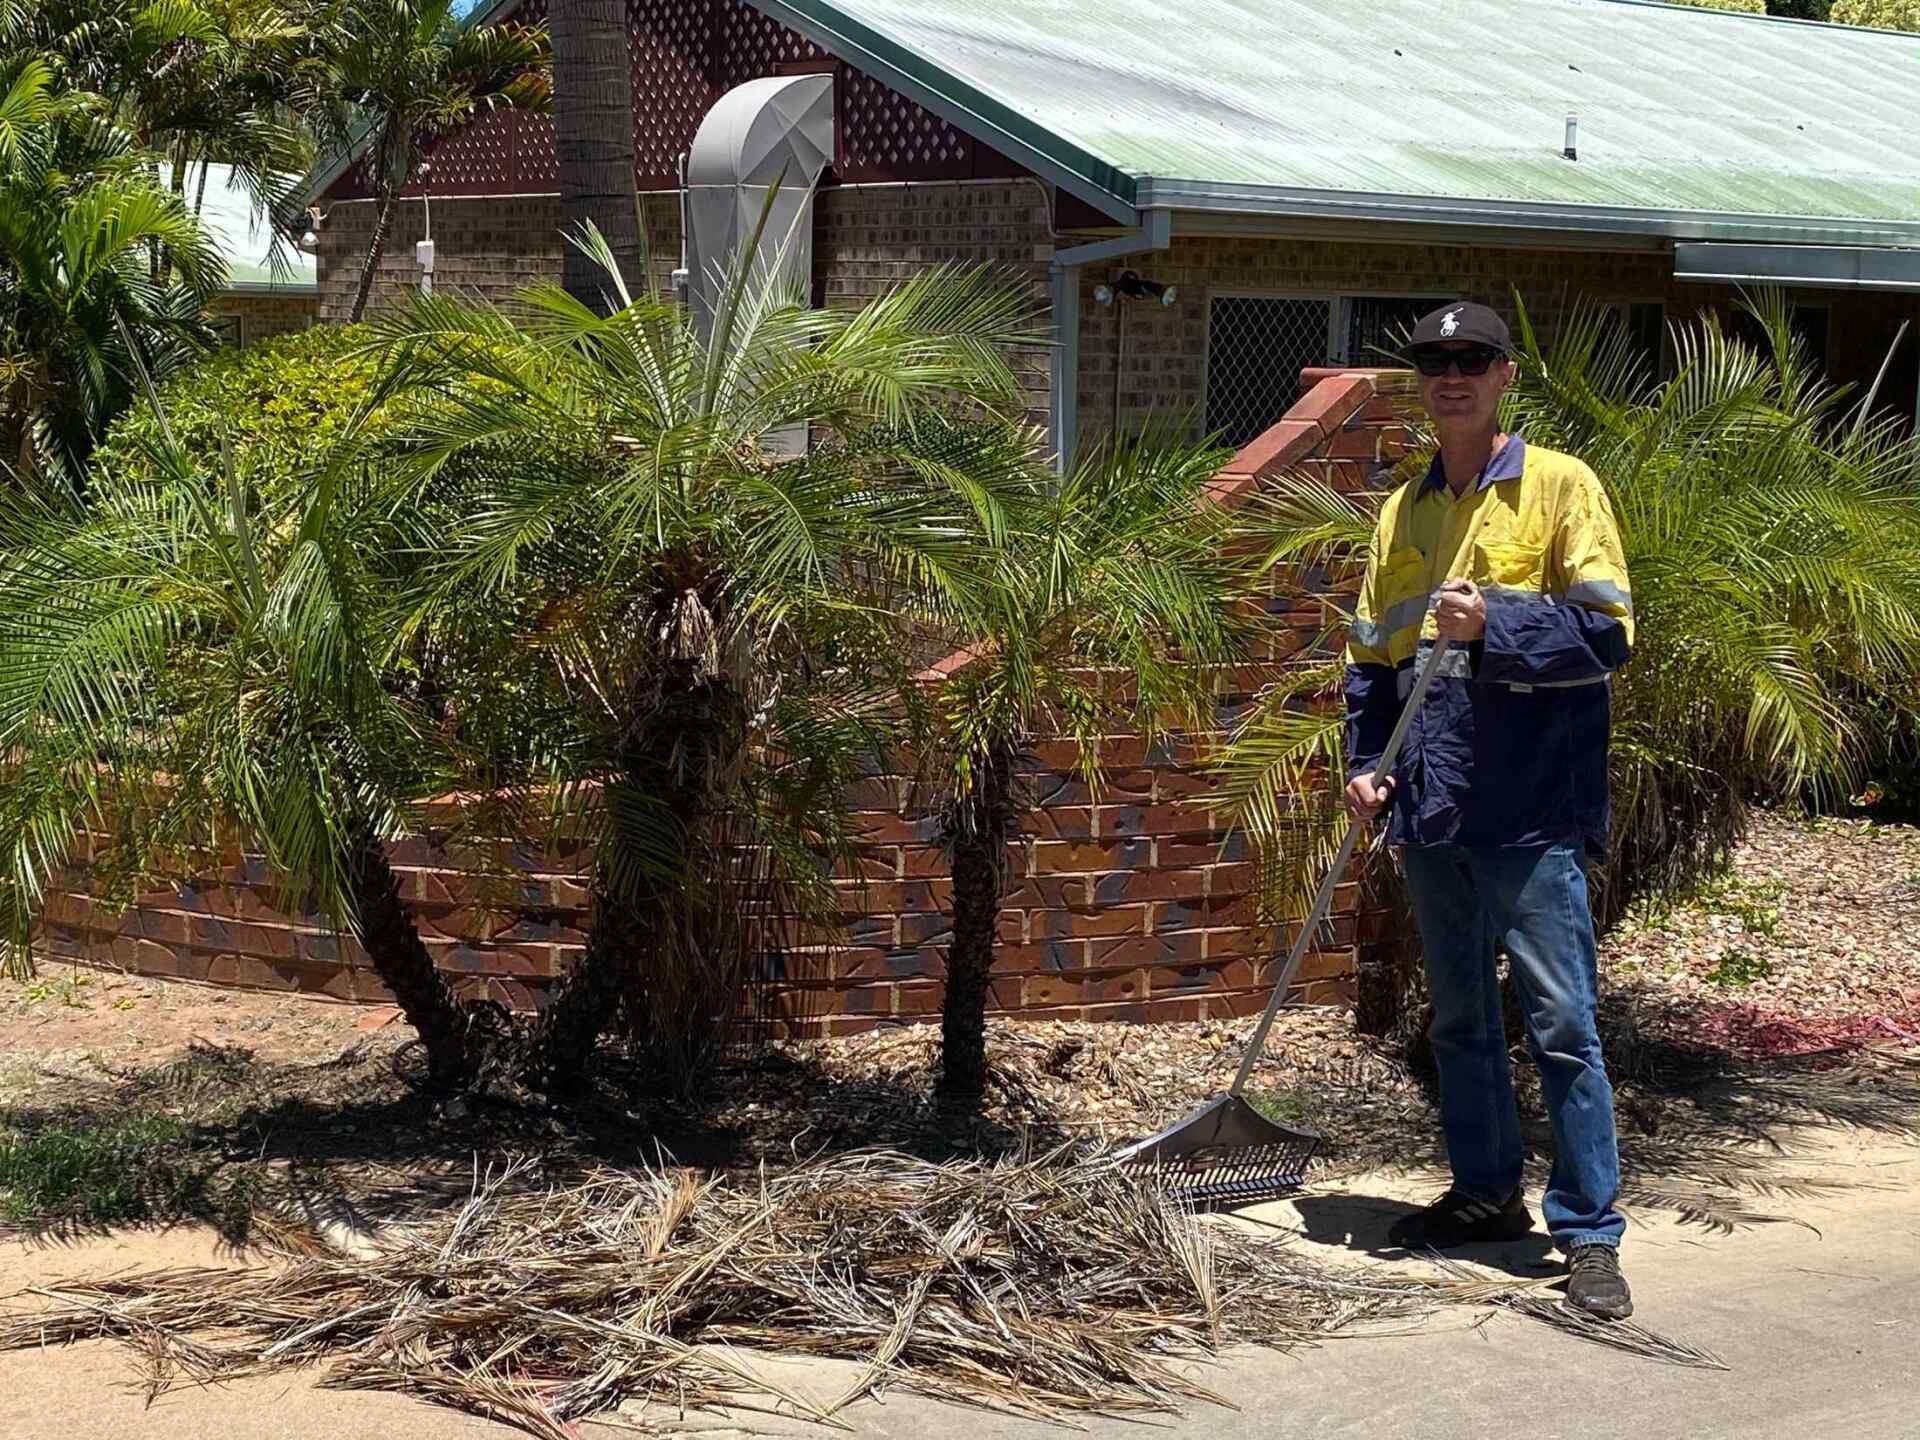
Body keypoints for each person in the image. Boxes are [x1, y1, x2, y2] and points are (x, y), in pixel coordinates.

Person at [1343, 300, 1635, 1321]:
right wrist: (1366, 761)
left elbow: (1606, 637)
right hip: (1432, 806)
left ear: (1507, 372)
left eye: (1472, 359)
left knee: (1560, 1023)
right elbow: (1373, 660)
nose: (1452, 375)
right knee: (1462, 1020)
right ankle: (1484, 1198)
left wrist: (1496, 619)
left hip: (1528, 810)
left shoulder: (1560, 486)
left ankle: (1590, 1234)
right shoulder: (1403, 512)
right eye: (1434, 361)